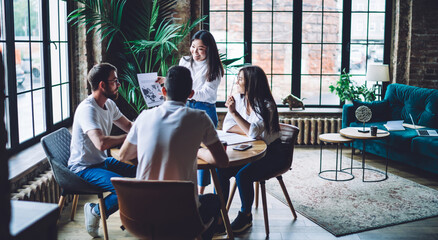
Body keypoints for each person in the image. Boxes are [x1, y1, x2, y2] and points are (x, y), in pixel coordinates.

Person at [119, 65, 229, 240]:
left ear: (163, 91)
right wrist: (197, 151)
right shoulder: (200, 118)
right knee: (214, 201)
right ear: (191, 94)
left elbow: (124, 156)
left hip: (140, 217)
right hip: (183, 219)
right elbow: (222, 161)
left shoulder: (144, 116)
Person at [68, 63, 136, 238]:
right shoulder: (87, 109)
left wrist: (147, 127)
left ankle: (136, 217)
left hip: (101, 162)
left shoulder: (109, 105)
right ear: (102, 85)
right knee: (124, 189)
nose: (118, 84)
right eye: (115, 81)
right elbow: (101, 143)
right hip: (83, 168)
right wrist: (129, 138)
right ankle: (95, 210)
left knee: (143, 172)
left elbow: (129, 126)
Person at [216, 65, 285, 234]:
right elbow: (227, 127)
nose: (237, 82)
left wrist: (235, 115)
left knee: (243, 175)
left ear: (251, 83)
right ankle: (219, 214)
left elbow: (253, 132)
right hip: (251, 148)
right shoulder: (240, 99)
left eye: (240, 79)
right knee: (220, 169)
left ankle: (245, 215)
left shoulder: (267, 105)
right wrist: (247, 130)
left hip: (271, 153)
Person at [180, 30, 225, 194]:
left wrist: (186, 91)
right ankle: (185, 185)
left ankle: (200, 191)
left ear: (209, 50)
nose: (195, 52)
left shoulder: (214, 68)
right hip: (185, 106)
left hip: (204, 108)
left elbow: (207, 93)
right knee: (185, 147)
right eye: (193, 47)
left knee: (204, 150)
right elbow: (179, 80)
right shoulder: (184, 61)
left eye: (201, 49)